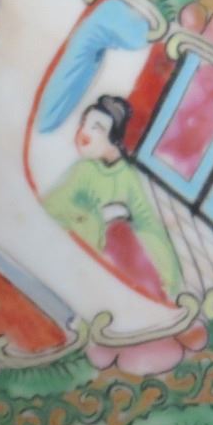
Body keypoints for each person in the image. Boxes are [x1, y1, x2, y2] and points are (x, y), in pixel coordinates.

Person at [41, 96, 184, 301]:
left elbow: (148, 224)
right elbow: (51, 207)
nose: (84, 133)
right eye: (84, 124)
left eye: (96, 127)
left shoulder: (127, 177)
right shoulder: (85, 169)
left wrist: (170, 281)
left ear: (114, 138)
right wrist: (98, 218)